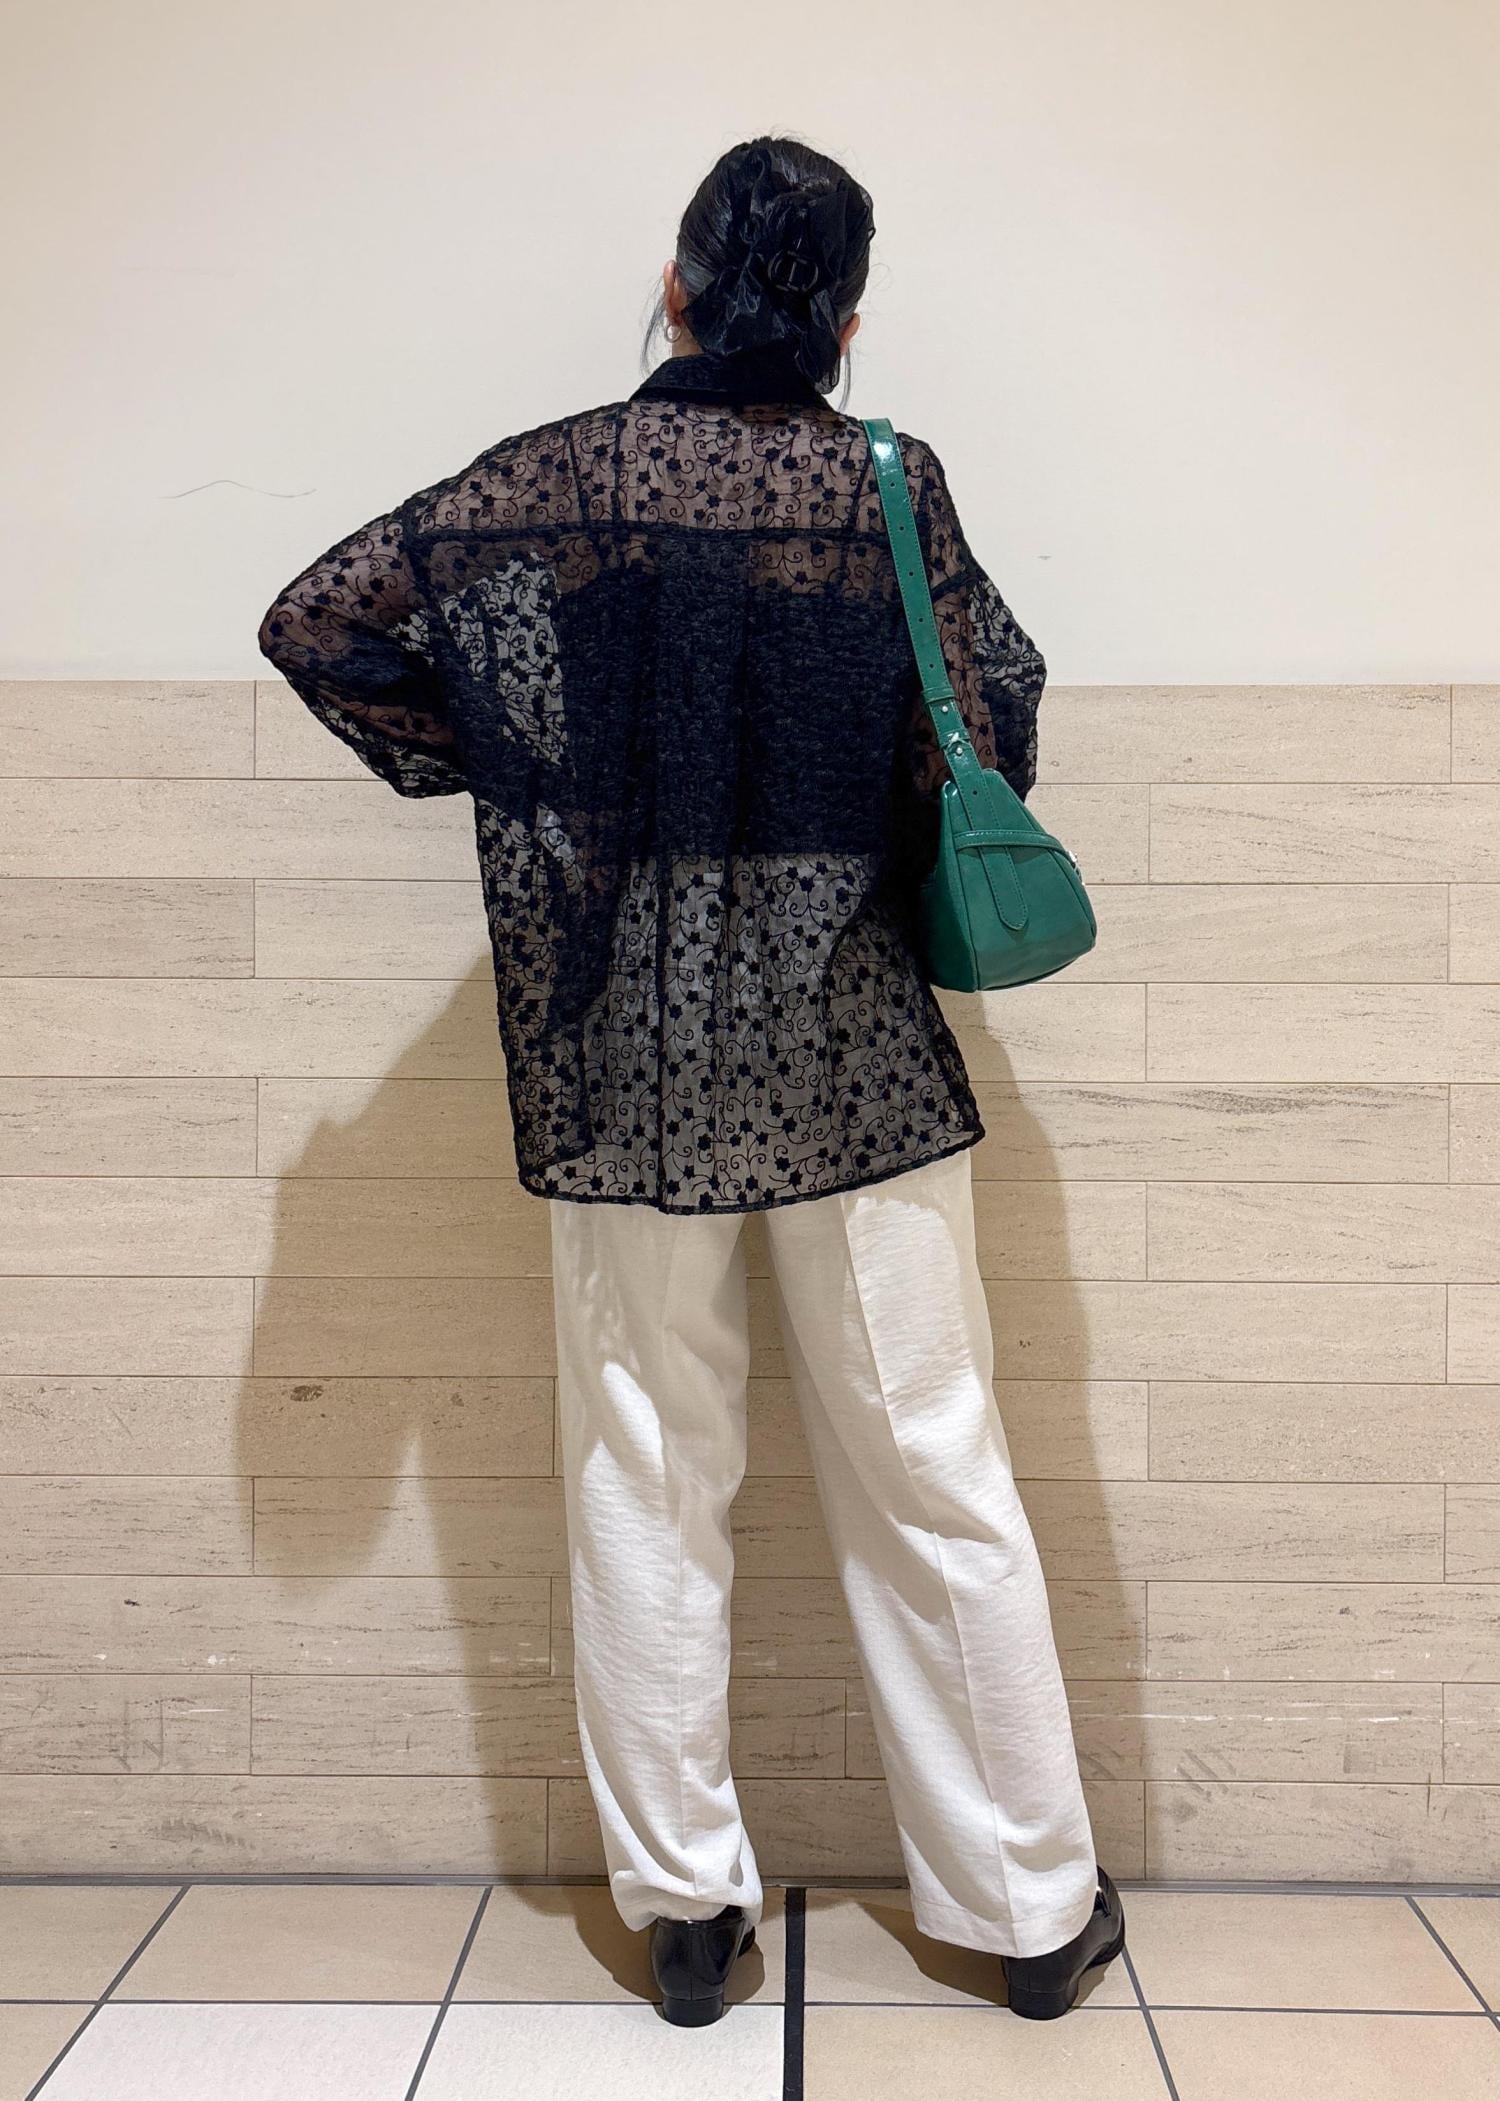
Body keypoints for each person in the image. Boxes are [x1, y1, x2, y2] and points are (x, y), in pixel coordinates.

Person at [257, 131, 1125, 2028]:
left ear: (675, 286)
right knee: (936, 1469)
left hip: (630, 1054)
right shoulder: (886, 481)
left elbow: (318, 622)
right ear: (846, 319)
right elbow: (992, 716)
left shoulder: (564, 477)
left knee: (645, 1471)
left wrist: (530, 758)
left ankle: (683, 1916)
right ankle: (1034, 1914)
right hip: (852, 1051)